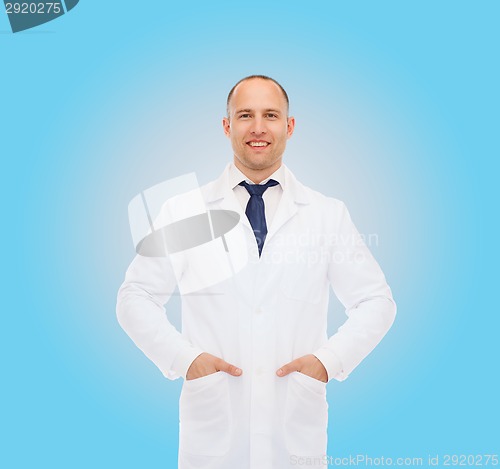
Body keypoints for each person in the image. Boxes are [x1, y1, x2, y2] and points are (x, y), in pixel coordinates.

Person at [116, 75, 396, 469]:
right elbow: (135, 297)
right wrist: (184, 358)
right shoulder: (184, 211)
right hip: (213, 434)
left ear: (290, 126)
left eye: (271, 115)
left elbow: (375, 302)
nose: (258, 127)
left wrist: (329, 360)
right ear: (227, 125)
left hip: (294, 432)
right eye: (245, 115)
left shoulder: (327, 214)